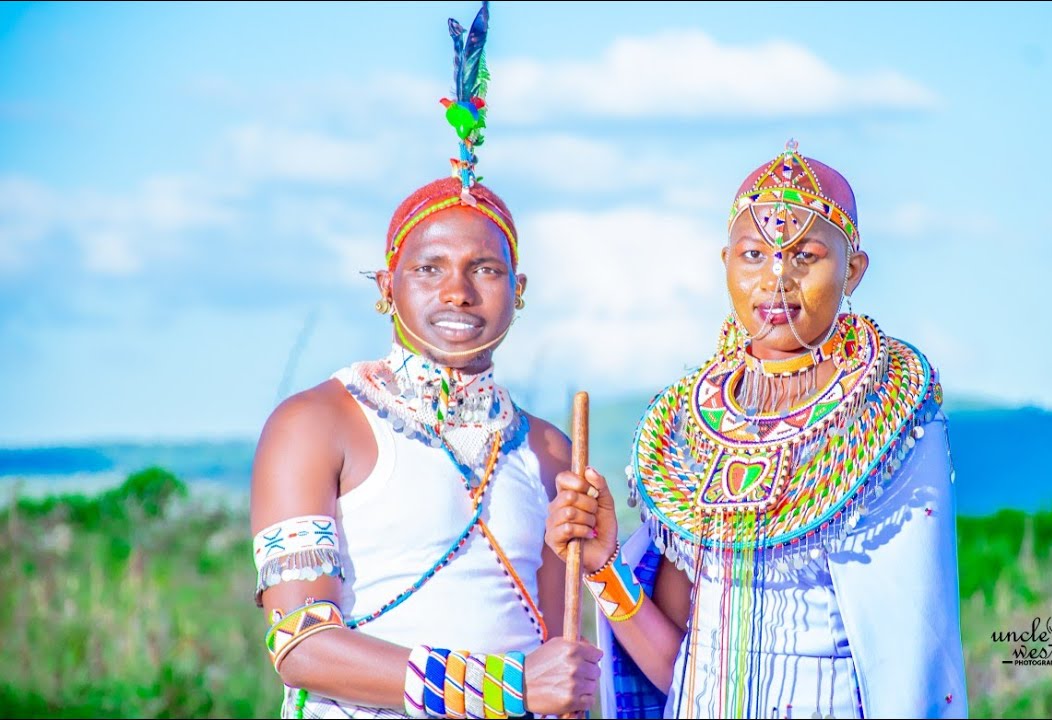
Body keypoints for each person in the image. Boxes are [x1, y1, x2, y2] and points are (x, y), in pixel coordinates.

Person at [249, 3, 600, 717]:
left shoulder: (550, 452)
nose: (457, 292)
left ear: (519, 290)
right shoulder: (315, 424)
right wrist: (509, 688)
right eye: (429, 268)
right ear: (387, 287)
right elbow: (301, 645)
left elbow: (557, 655)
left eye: (485, 269)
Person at [545, 141, 969, 718]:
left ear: (853, 270)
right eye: (754, 254)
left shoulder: (890, 415)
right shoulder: (686, 429)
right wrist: (602, 566)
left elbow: (910, 653)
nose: (777, 277)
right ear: (725, 262)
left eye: (805, 255)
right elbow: (683, 668)